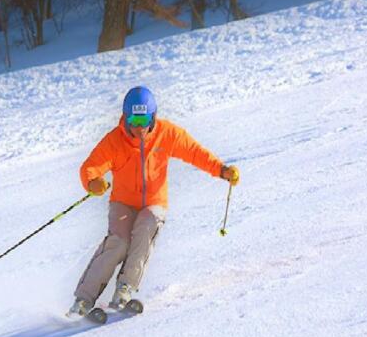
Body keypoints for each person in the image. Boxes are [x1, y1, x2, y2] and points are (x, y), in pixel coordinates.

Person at [68, 86, 239, 316]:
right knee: (118, 243)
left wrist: (221, 169)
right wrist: (92, 183)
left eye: (144, 119)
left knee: (145, 229)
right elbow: (91, 167)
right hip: (123, 201)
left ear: (153, 116)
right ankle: (83, 300)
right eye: (133, 120)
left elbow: (195, 152)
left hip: (154, 202)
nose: (139, 127)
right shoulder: (115, 141)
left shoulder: (167, 134)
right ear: (125, 118)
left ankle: (125, 288)